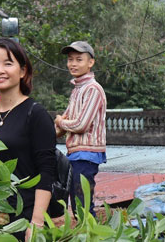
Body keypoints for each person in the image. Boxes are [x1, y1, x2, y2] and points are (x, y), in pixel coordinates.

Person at [0, 38, 56, 240]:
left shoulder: (35, 114)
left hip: (26, 217)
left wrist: (36, 223)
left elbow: (47, 172)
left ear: (22, 71)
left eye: (8, 63)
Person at [54, 41, 107, 215]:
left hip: (87, 154)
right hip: (75, 153)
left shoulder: (93, 89)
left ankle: (90, 235)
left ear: (90, 62)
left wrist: (60, 122)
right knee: (77, 204)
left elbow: (81, 124)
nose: (73, 64)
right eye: (70, 60)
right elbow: (66, 121)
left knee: (82, 204)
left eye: (79, 59)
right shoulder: (77, 89)